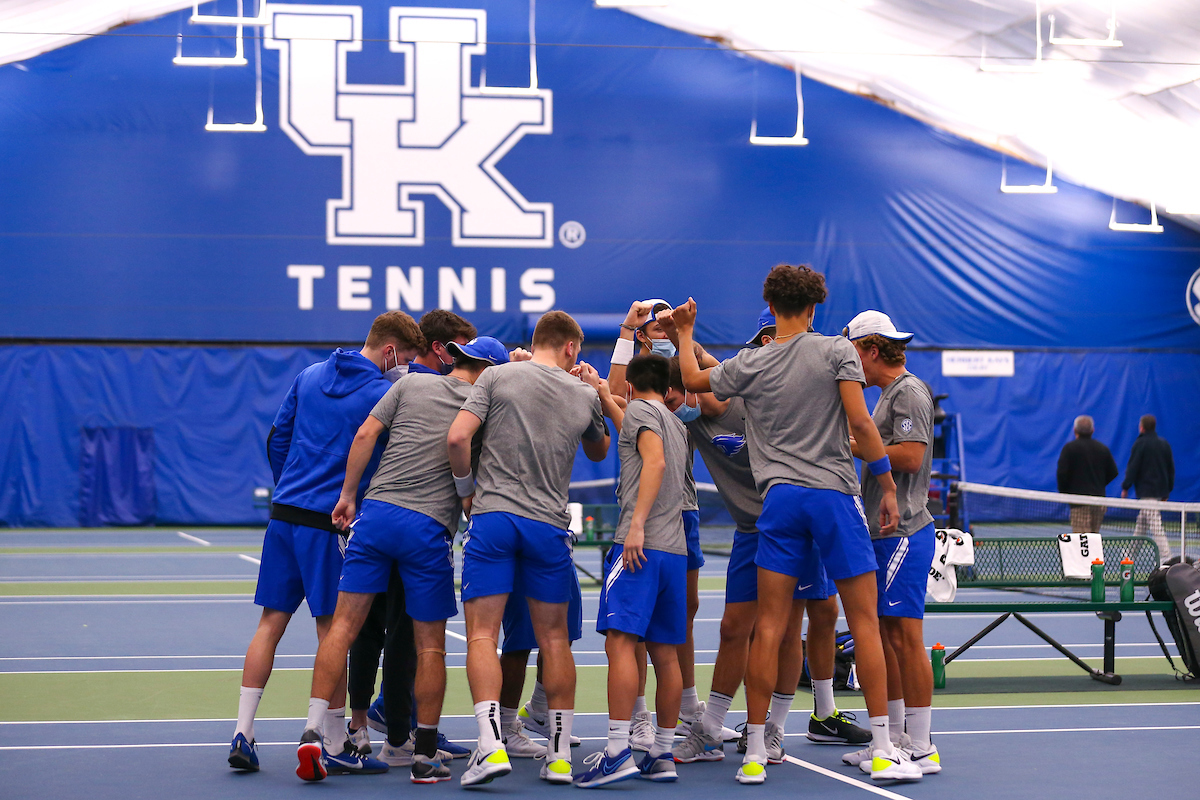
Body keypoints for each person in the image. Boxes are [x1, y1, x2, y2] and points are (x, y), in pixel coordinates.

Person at [674, 264, 921, 784]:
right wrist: (889, 486)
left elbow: (694, 380)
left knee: (768, 627)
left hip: (778, 504)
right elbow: (859, 423)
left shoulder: (754, 361)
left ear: (772, 305)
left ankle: (755, 754)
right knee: (866, 623)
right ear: (814, 308)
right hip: (832, 497)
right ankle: (883, 749)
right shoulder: (836, 351)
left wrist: (685, 333)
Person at [295, 336, 510, 782]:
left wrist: (348, 496)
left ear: (455, 357)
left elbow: (366, 434)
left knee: (343, 627)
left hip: (374, 516)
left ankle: (314, 733)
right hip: (427, 528)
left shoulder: (410, 385)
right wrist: (466, 498)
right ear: (490, 371)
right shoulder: (484, 406)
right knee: (429, 645)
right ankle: (424, 755)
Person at [228, 312, 425, 774]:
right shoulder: (384, 393)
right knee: (333, 631)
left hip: (284, 516)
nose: (407, 371)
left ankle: (243, 732)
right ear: (392, 352)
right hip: (327, 524)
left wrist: (289, 488)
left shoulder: (309, 375)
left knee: (269, 625)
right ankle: (332, 741)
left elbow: (277, 438)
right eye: (407, 361)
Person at [659, 335, 869, 767]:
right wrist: (659, 337)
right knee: (734, 627)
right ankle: (711, 727)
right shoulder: (689, 420)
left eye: (680, 393)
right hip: (748, 528)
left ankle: (773, 729)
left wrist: (691, 341)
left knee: (789, 628)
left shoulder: (751, 398)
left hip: (790, 521)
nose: (676, 402)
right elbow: (655, 382)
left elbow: (718, 365)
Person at [447, 311, 612, 786]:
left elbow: (458, 436)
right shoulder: (582, 392)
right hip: (548, 527)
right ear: (571, 348)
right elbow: (600, 449)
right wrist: (593, 388)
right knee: (555, 640)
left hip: (494, 518)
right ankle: (559, 756)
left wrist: (465, 493)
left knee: (483, 635)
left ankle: (490, 744)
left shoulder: (497, 375)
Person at [351, 309, 478, 761]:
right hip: (406, 523)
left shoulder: (400, 383)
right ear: (442, 349)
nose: (465, 358)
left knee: (367, 630)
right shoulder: (404, 386)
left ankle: (358, 728)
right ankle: (403, 734)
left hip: (374, 520)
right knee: (407, 635)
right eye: (461, 348)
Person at [575, 354, 689, 787]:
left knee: (621, 644)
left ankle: (618, 750)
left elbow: (653, 461)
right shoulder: (674, 421)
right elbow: (639, 442)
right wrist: (605, 396)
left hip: (640, 545)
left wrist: (637, 524)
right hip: (674, 551)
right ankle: (662, 751)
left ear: (634, 385)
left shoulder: (641, 410)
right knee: (665, 652)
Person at [841, 310, 941, 776]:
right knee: (885, 635)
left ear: (871, 350)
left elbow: (910, 455)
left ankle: (921, 744)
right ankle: (896, 738)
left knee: (904, 636)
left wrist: (849, 442)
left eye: (852, 352)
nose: (849, 363)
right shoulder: (886, 396)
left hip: (904, 533)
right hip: (882, 533)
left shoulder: (909, 392)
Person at [606, 298, 705, 743]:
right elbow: (613, 390)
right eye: (654, 320)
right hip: (657, 521)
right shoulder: (639, 380)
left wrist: (683, 334)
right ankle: (647, 723)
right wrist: (627, 332)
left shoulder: (682, 376)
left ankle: (683, 710)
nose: (660, 324)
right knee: (643, 630)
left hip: (669, 517)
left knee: (671, 621)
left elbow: (701, 399)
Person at [1121, 414, 1175, 562]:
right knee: (1142, 525)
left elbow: (1133, 467)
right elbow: (1171, 469)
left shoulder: (1140, 444)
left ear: (1142, 427)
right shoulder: (1164, 444)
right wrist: (1167, 490)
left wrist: (1126, 486)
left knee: (1155, 525)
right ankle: (1129, 556)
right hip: (1158, 491)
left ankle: (1167, 557)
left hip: (1148, 492)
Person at [1055, 415, 1118, 534]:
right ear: (1092, 431)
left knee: (1081, 541)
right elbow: (1113, 472)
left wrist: (1066, 492)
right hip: (1098, 502)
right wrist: (1099, 484)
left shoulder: (1069, 449)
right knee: (1093, 539)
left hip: (1079, 503)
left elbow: (1062, 474)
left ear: (1075, 431)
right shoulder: (1102, 449)